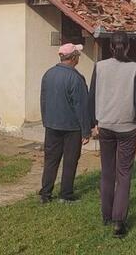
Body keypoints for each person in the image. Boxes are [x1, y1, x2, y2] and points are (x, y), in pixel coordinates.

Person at [89, 32, 136, 238]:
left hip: (104, 124)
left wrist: (93, 123)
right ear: (128, 47)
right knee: (123, 175)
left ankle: (106, 214)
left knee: (107, 172)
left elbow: (92, 94)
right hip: (127, 126)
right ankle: (118, 221)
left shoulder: (100, 66)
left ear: (111, 47)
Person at [39, 43, 91, 204]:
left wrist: (46, 120)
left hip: (52, 125)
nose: (79, 59)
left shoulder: (48, 74)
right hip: (71, 127)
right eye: (78, 56)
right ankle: (65, 194)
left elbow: (43, 100)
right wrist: (86, 131)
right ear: (74, 57)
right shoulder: (76, 78)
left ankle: (45, 194)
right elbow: (81, 106)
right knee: (70, 160)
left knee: (51, 160)